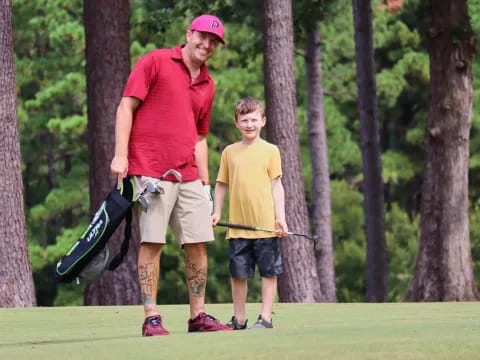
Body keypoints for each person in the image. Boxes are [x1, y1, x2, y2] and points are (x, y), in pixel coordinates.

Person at [110, 14, 231, 336]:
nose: (206, 44)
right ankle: (151, 316)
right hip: (150, 169)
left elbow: (200, 137)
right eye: (202, 37)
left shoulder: (208, 84)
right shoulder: (156, 61)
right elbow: (126, 107)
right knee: (152, 241)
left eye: (213, 41)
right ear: (189, 34)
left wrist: (205, 183)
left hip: (189, 174)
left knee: (198, 243)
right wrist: (121, 155)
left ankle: (198, 315)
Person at [211, 97, 288, 330]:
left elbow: (277, 185)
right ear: (236, 123)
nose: (249, 124)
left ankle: (265, 317)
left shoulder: (271, 151)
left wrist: (280, 218)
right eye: (244, 120)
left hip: (265, 225)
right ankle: (240, 319)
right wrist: (216, 212)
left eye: (254, 119)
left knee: (268, 272)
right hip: (237, 227)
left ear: (263, 121)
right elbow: (221, 184)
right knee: (238, 274)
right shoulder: (229, 152)